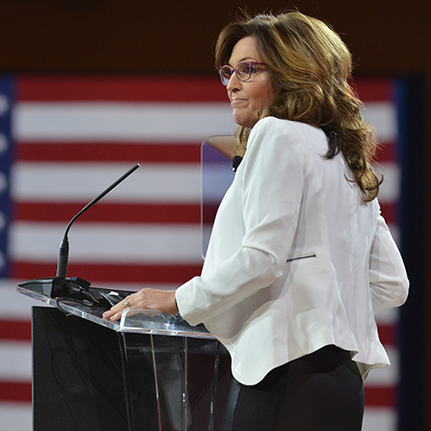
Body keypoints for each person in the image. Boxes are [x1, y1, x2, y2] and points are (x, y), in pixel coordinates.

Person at [103, 10, 409, 431]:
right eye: (228, 70)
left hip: (283, 375)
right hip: (340, 386)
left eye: (248, 70)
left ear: (293, 73)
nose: (231, 84)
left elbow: (262, 260)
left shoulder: (277, 133)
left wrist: (177, 299)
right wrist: (321, 306)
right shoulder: (347, 160)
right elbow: (393, 284)